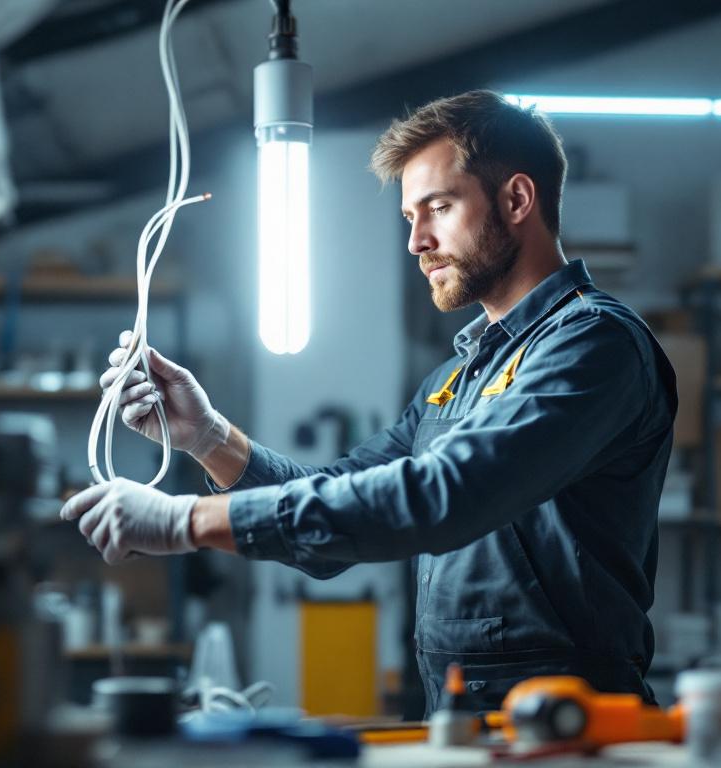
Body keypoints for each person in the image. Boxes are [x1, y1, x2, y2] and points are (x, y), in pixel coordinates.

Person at [60, 90, 678, 713]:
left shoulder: (593, 345)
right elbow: (338, 506)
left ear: (517, 199)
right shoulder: (458, 377)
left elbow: (446, 495)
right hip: (468, 719)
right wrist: (208, 437)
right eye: (410, 217)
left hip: (572, 722)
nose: (416, 242)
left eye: (438, 207)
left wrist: (184, 522)